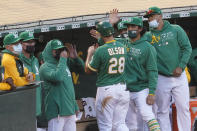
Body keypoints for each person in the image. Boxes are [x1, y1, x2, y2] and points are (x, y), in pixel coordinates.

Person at [144, 6, 192, 131]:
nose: (150, 20)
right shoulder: (148, 35)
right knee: (162, 110)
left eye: (152, 16)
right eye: (148, 18)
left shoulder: (175, 29)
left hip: (179, 76)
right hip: (161, 77)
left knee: (184, 108)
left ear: (160, 16)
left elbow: (187, 48)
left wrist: (181, 66)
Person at [85, 21, 129, 131]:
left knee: (105, 126)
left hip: (107, 90)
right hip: (123, 89)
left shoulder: (100, 50)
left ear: (101, 33)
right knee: (120, 124)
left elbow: (88, 70)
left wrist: (90, 53)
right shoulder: (122, 46)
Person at [119, 17, 160, 131]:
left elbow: (152, 71)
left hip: (142, 89)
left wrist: (151, 92)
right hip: (126, 90)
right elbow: (107, 42)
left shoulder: (148, 47)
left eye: (133, 27)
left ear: (140, 28)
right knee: (130, 123)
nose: (129, 29)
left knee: (147, 115)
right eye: (128, 27)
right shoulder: (123, 42)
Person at [39, 39, 78, 131]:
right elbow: (58, 78)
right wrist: (63, 59)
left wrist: (75, 106)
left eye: (61, 49)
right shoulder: (45, 67)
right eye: (56, 50)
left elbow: (69, 87)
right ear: (49, 51)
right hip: (56, 112)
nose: (60, 52)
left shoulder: (63, 64)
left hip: (69, 110)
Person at [19, 31, 43, 130]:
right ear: (20, 44)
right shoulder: (17, 60)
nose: (31, 44)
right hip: (22, 110)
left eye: (33, 42)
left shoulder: (35, 60)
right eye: (28, 42)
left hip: (35, 108)